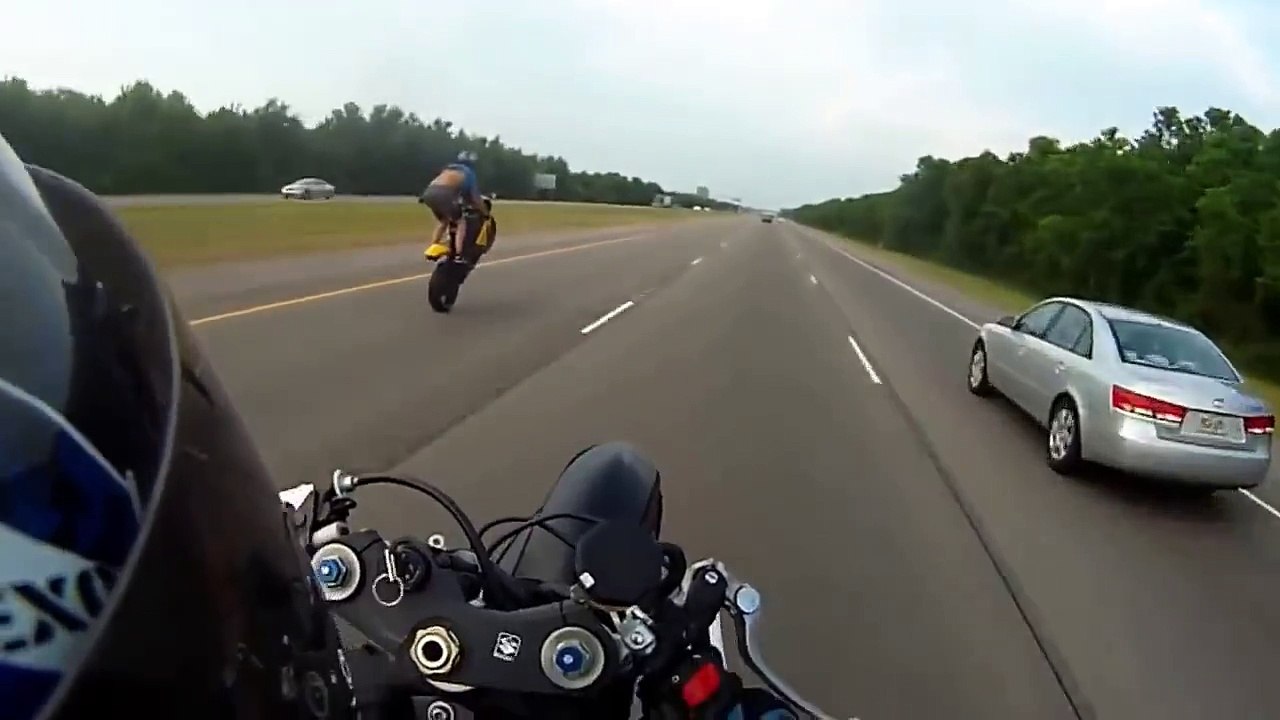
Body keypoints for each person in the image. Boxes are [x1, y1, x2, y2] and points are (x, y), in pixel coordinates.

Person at [0, 129, 794, 720]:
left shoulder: (451, 181)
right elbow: (473, 207)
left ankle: (444, 246)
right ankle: (448, 248)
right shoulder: (468, 183)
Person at [420, 150, 488, 260]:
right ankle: (458, 253)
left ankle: (434, 245)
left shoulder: (448, 169)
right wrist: (484, 212)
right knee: (461, 222)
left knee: (443, 221)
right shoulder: (468, 173)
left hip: (428, 193)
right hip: (444, 194)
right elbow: (475, 197)